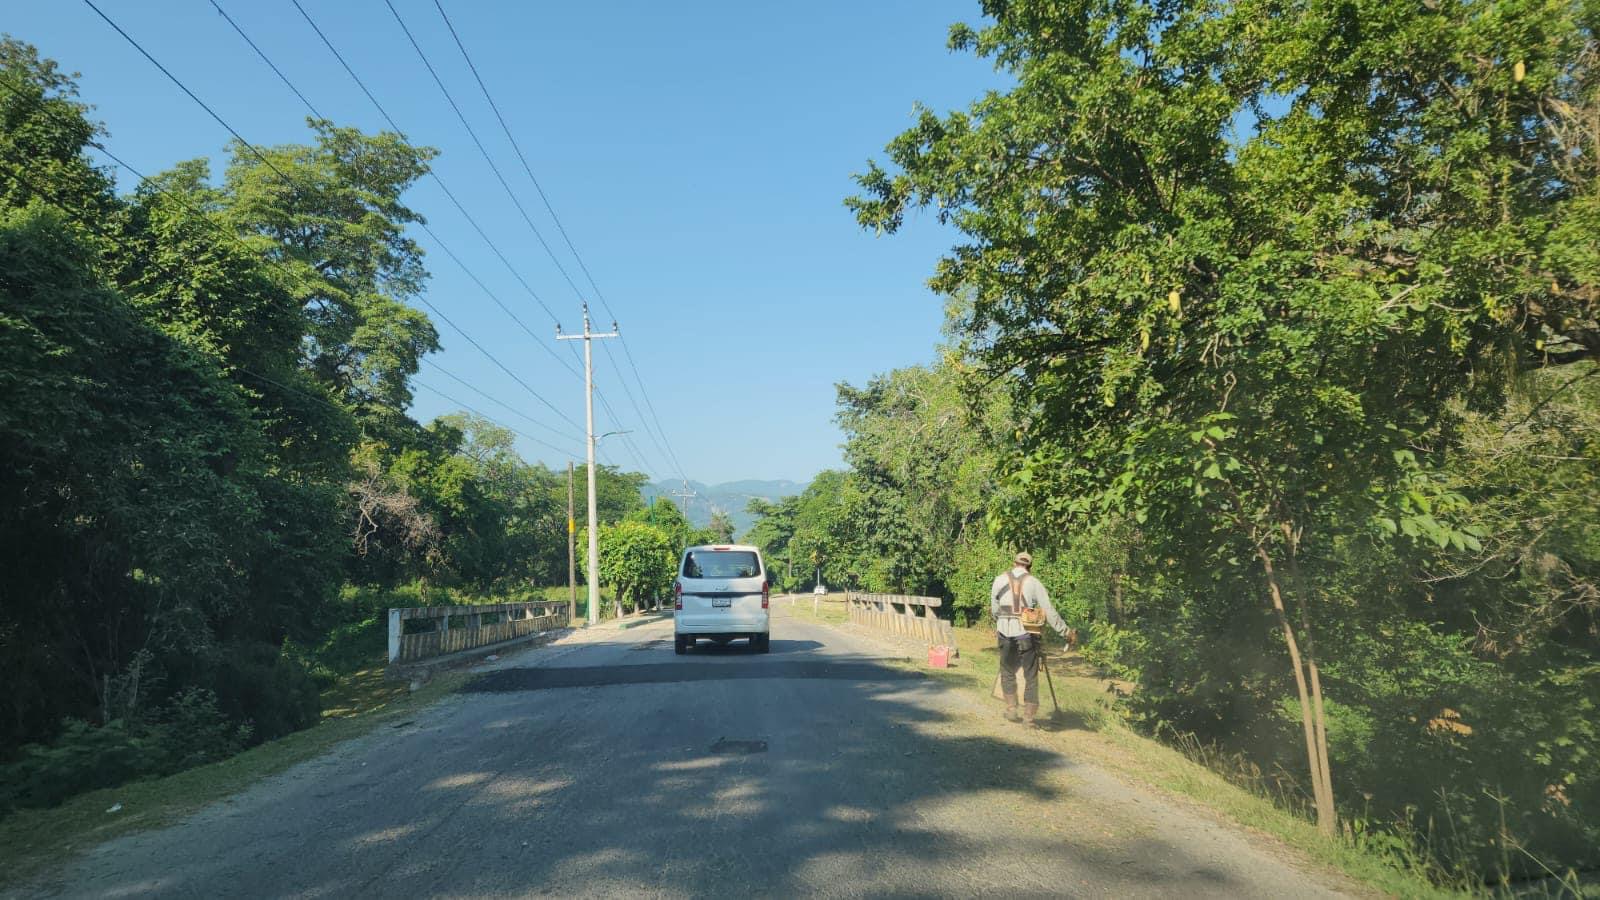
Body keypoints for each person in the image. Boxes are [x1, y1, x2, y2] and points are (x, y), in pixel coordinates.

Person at [990, 551, 1069, 726]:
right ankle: (1028, 717)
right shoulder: (1034, 583)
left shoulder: (999, 579)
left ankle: (1011, 709)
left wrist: (1002, 623)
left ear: (1014, 563)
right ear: (1030, 566)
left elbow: (995, 609)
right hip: (1026, 632)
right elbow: (1048, 611)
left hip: (1004, 631)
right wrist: (1065, 632)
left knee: (1007, 670)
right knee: (1030, 674)